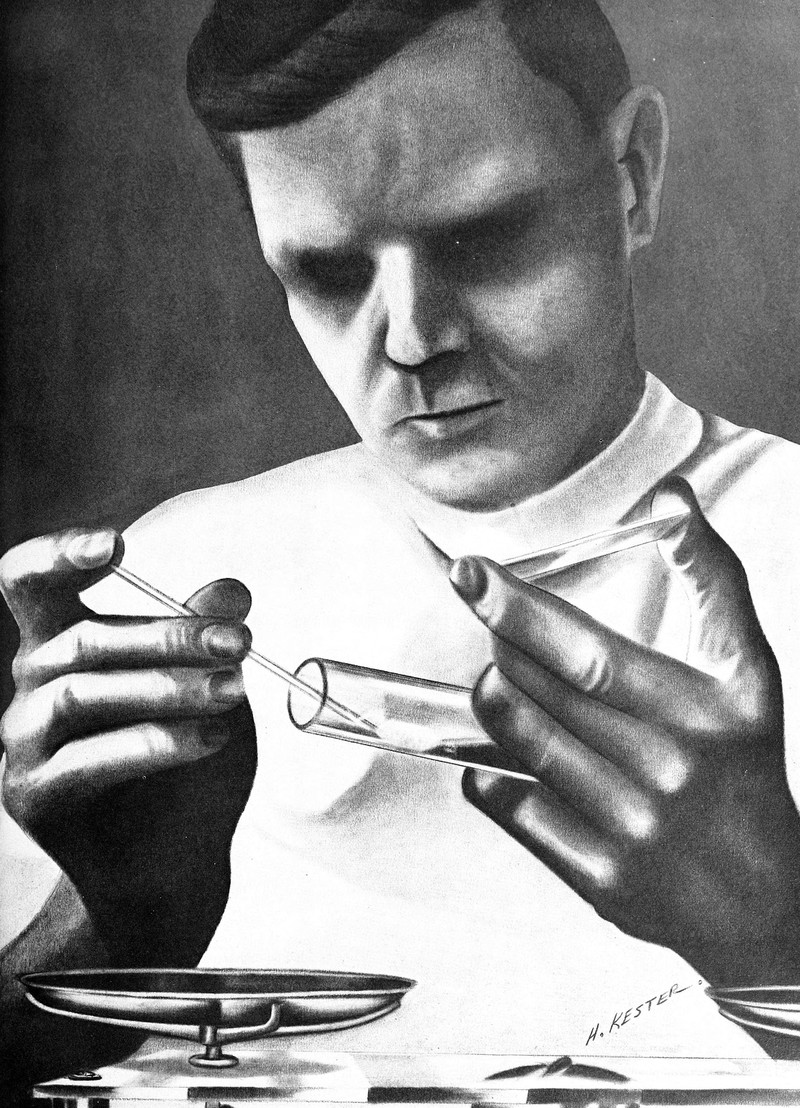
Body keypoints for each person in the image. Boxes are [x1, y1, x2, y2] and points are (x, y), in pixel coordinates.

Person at [2, 0, 800, 1097]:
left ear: (632, 176)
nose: (415, 340)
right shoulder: (172, 582)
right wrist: (115, 926)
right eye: (329, 275)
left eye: (485, 237)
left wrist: (773, 931)